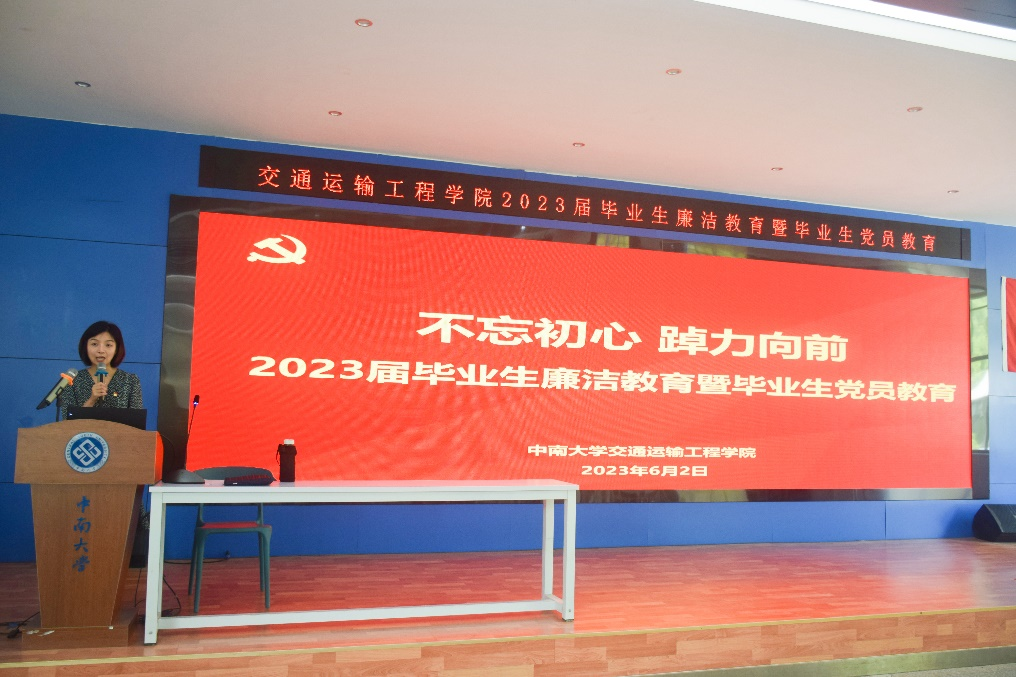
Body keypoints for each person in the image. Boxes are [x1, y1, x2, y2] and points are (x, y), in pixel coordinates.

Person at [60, 321, 143, 418]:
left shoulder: (130, 380)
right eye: (94, 344)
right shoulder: (72, 381)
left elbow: (136, 421)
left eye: (108, 345)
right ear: (85, 347)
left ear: (116, 349)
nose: (101, 350)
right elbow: (68, 422)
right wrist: (92, 400)